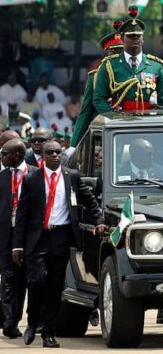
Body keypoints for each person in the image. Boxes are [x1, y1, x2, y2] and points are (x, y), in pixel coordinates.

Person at [12, 141, 105, 348]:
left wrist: (98, 220)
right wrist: (17, 245)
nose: (55, 155)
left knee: (55, 286)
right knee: (37, 281)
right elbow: (22, 214)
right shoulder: (31, 179)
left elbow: (90, 201)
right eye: (50, 152)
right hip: (37, 238)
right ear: (42, 156)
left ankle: (48, 333)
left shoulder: (71, 176)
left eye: (58, 152)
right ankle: (32, 320)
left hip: (61, 237)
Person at [93, 5, 163, 114]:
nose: (135, 39)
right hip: (120, 123)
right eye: (131, 36)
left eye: (138, 36)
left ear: (143, 39)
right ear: (123, 38)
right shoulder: (109, 65)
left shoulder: (156, 66)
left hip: (147, 123)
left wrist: (154, 121)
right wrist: (113, 118)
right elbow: (99, 99)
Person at [0, 139, 36, 339]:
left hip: (27, 236)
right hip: (6, 234)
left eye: (4, 153)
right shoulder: (2, 176)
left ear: (16, 155)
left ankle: (18, 317)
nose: (1, 157)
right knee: (7, 277)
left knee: (22, 280)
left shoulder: (35, 174)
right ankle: (9, 323)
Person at [71, 25, 125, 148]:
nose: (117, 56)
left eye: (121, 52)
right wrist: (73, 145)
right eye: (114, 52)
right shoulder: (95, 77)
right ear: (106, 54)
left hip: (127, 130)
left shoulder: (133, 76)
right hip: (102, 134)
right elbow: (85, 113)